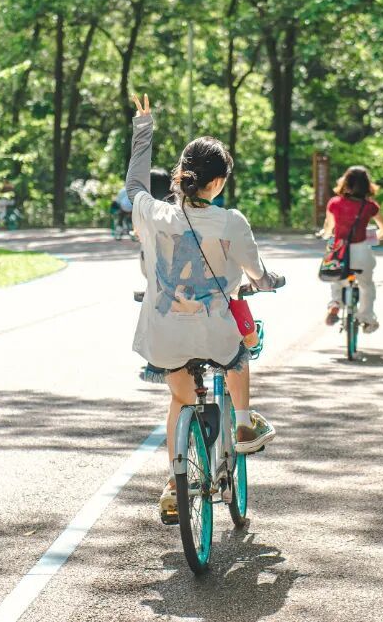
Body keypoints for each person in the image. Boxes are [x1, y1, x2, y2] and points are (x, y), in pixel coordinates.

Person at [124, 93, 285, 521]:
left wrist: (144, 127)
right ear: (217, 183)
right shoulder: (231, 221)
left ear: (181, 175)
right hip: (214, 334)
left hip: (164, 336)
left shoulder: (153, 214)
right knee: (239, 354)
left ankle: (174, 483)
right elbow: (256, 273)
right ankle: (244, 422)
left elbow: (134, 186)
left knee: (180, 399)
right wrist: (268, 282)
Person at [319, 166, 383, 332]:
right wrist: (377, 236)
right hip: (361, 251)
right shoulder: (370, 206)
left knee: (336, 278)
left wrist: (325, 234)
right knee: (366, 286)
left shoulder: (335, 203)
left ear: (345, 183)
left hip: (339, 250)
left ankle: (335, 304)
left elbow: (329, 228)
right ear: (367, 185)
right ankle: (366, 318)